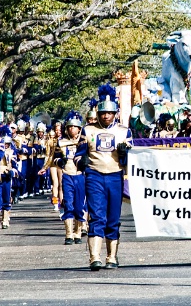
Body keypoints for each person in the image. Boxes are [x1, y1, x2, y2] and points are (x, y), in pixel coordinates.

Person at [76, 90, 132, 271]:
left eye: (109, 113)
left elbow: (133, 160)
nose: (106, 116)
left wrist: (125, 155)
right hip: (95, 176)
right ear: (98, 114)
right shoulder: (88, 130)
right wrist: (81, 161)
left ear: (115, 114)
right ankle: (94, 257)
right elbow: (78, 155)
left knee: (113, 218)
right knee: (97, 216)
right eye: (103, 113)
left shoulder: (124, 132)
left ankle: (112, 256)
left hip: (116, 176)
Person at [55, 112, 86, 245]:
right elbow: (54, 158)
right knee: (68, 204)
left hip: (80, 176)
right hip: (67, 175)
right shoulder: (61, 142)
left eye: (74, 127)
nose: (71, 129)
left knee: (79, 206)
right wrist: (59, 161)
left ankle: (78, 233)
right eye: (69, 127)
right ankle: (68, 234)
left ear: (79, 128)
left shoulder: (84, 141)